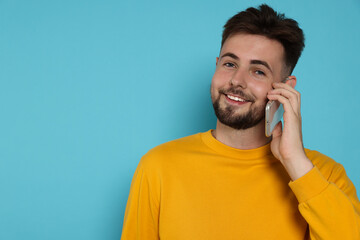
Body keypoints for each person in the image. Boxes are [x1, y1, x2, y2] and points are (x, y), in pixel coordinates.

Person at [120, 4, 360, 240]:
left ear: (285, 88)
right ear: (217, 66)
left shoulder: (324, 176)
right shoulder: (158, 167)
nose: (237, 80)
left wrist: (295, 162)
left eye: (258, 71)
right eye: (230, 64)